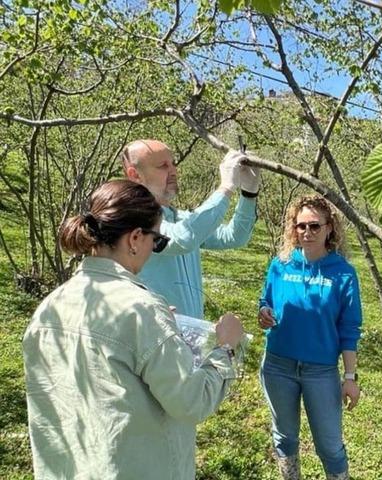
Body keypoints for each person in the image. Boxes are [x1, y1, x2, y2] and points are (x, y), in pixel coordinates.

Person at [23, 179, 245, 479]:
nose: (154, 248)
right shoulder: (142, 310)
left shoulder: (49, 308)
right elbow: (192, 401)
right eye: (155, 238)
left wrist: (160, 327)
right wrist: (226, 348)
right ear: (135, 238)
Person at [257, 195, 362, 480]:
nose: (307, 232)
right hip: (278, 366)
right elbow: (265, 300)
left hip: (321, 371)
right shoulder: (280, 265)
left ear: (330, 228)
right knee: (285, 437)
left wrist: (350, 378)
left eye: (315, 226)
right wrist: (264, 311)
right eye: (301, 226)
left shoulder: (343, 274)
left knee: (329, 446)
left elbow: (350, 329)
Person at [121, 139, 260, 319]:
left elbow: (234, 237)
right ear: (134, 174)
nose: (173, 171)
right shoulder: (134, 220)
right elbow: (182, 239)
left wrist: (249, 193)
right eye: (163, 166)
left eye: (173, 164)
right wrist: (225, 188)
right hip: (155, 336)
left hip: (187, 337)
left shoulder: (181, 218)